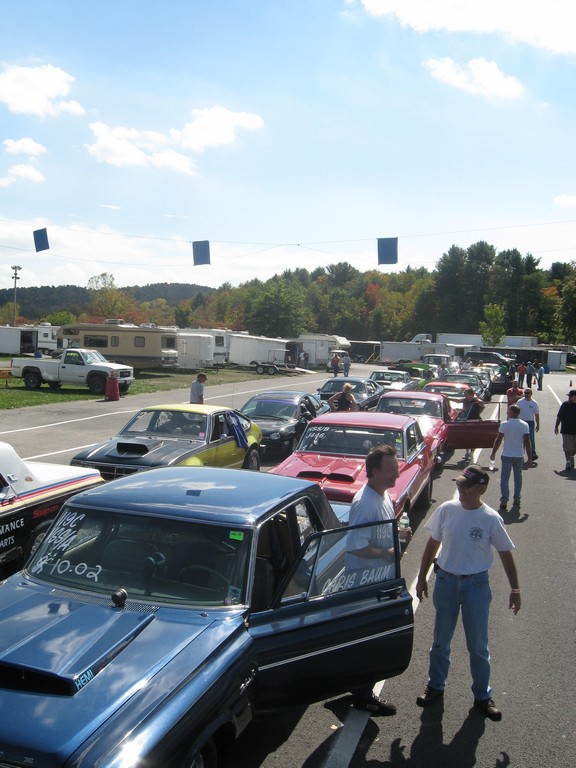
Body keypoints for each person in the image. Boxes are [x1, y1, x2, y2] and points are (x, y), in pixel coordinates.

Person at [415, 464, 521, 722]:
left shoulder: (490, 518)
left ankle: (482, 696)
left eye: (465, 485)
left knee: (478, 646)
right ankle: (436, 687)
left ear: (480, 489)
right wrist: (421, 577)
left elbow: (505, 553)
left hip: (476, 586)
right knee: (441, 641)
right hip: (447, 582)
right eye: (459, 484)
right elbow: (433, 543)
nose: (459, 488)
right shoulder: (447, 510)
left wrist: (515, 588)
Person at [347, 445, 411, 715]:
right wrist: (387, 551)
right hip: (366, 583)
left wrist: (396, 536)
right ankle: (364, 696)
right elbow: (356, 545)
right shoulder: (366, 503)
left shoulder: (382, 495)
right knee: (373, 640)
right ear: (373, 472)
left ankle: (356, 686)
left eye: (396, 469)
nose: (395, 474)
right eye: (390, 470)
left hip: (380, 578)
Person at [490, 404, 532, 511]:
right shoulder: (524, 425)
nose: (507, 412)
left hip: (507, 455)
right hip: (518, 455)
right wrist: (530, 457)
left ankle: (504, 499)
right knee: (518, 478)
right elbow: (527, 442)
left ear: (513, 412)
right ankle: (517, 498)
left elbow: (498, 440)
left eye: (509, 411)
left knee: (505, 478)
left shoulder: (505, 424)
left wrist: (493, 452)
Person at [457, 388, 485, 463]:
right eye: (464, 395)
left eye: (466, 395)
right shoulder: (465, 400)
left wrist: (478, 401)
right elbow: (457, 400)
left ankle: (471, 453)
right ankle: (467, 452)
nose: (465, 396)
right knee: (466, 438)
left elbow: (482, 404)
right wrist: (447, 398)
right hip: (466, 421)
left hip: (475, 421)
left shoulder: (476, 400)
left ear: (471, 395)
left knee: (474, 438)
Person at [554, 389, 576, 470]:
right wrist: (556, 426)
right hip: (566, 430)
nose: (569, 398)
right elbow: (559, 416)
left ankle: (571, 456)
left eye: (570, 396)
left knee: (574, 449)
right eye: (569, 396)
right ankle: (568, 462)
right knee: (567, 447)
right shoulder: (565, 405)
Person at [516, 388, 540, 461]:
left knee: (531, 439)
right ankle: (520, 455)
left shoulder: (534, 403)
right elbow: (516, 412)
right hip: (521, 422)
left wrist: (538, 424)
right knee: (521, 439)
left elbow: (536, 414)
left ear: (531, 394)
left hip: (530, 423)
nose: (526, 394)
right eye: (525, 393)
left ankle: (533, 454)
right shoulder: (520, 402)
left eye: (528, 393)